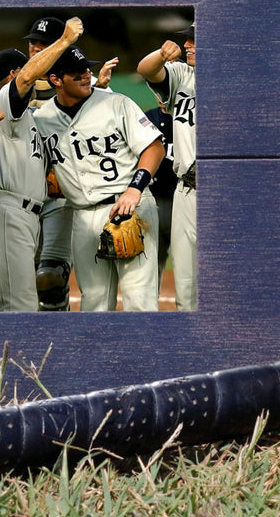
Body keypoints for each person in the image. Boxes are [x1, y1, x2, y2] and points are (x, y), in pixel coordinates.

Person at [34, 45, 165, 312]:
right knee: (93, 302)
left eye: (86, 69)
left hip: (128, 207)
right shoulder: (43, 119)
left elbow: (154, 148)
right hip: (82, 216)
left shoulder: (116, 103)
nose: (85, 75)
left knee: (139, 299)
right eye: (76, 73)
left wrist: (135, 189)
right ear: (55, 80)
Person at [0, 17, 85, 311]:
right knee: (19, 306)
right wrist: (64, 41)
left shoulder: (24, 114)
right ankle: (17, 359)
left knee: (11, 302)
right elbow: (24, 80)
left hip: (21, 212)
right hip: (10, 211)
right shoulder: (6, 104)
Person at [136, 24, 198, 311]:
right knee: (186, 290)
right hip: (186, 190)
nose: (187, 44)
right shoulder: (183, 76)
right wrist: (162, 55)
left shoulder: (236, 82)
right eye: (187, 38)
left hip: (224, 190)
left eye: (195, 39)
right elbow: (146, 69)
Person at [143, 98, 177, 287]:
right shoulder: (147, 119)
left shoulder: (192, 117)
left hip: (187, 198)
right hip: (154, 199)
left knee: (191, 265)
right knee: (151, 265)